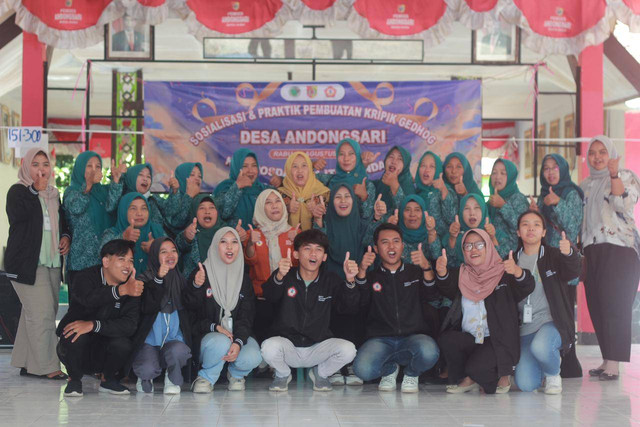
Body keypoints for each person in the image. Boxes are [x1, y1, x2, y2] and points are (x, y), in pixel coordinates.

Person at [435, 229, 534, 394]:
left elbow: (527, 286)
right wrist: (441, 272)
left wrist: (517, 271)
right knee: (447, 339)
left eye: (479, 245)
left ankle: (498, 373)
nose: (474, 250)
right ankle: (468, 375)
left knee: (477, 369)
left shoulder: (503, 273)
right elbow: (446, 287)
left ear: (488, 247)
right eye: (468, 246)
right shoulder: (463, 274)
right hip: (472, 338)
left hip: (498, 340)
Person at [260, 229, 360, 392]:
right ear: (296, 254)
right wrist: (279, 276)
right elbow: (269, 296)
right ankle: (283, 374)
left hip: (318, 346)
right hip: (289, 346)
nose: (313, 254)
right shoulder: (286, 275)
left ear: (324, 257)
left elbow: (349, 308)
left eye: (319, 249)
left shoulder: (331, 280)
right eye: (307, 248)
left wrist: (350, 281)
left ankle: (321, 373)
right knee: (267, 347)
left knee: (349, 350)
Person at [5, 148, 70, 380]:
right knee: (41, 315)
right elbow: (18, 214)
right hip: (26, 266)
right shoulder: (18, 192)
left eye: (45, 164)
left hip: (51, 263)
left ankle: (25, 361)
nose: (41, 170)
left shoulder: (53, 194)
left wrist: (66, 237)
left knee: (35, 313)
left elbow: (63, 224)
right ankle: (46, 367)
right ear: (26, 167)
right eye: (35, 165)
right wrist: (34, 190)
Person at [351, 223, 441, 393]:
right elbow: (359, 304)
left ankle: (411, 374)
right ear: (376, 249)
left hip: (413, 337)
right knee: (362, 369)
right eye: (385, 242)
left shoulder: (414, 272)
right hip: (380, 340)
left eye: (396, 241)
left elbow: (432, 295)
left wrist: (426, 267)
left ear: (402, 246)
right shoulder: (371, 276)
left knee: (429, 351)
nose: (391, 247)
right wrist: (362, 270)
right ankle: (389, 369)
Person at [581, 135, 640, 380]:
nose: (597, 157)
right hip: (591, 250)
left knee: (616, 306)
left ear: (611, 154)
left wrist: (614, 176)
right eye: (592, 152)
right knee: (598, 305)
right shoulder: (585, 184)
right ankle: (607, 359)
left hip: (619, 249)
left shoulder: (625, 176)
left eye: (602, 152)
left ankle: (614, 364)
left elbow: (621, 204)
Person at [56, 239, 143, 397]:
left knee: (124, 343)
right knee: (74, 333)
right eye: (121, 259)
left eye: (130, 261)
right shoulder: (84, 277)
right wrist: (119, 291)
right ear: (106, 261)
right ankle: (74, 380)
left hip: (104, 346)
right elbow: (89, 299)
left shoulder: (131, 286)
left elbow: (129, 325)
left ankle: (108, 379)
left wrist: (94, 325)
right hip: (77, 348)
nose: (127, 265)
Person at [513, 211, 582, 394]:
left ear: (544, 232)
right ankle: (544, 363)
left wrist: (569, 254)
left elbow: (573, 272)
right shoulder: (512, 260)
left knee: (541, 347)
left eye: (536, 225)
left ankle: (553, 373)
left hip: (551, 322)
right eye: (525, 224)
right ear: (518, 232)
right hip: (525, 329)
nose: (531, 228)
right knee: (526, 385)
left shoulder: (553, 255)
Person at [186, 227, 261, 392]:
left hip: (235, 335)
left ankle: (235, 375)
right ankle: (206, 377)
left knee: (254, 355)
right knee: (221, 342)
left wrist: (239, 342)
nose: (229, 247)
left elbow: (246, 317)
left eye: (234, 242)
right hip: (209, 338)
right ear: (214, 246)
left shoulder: (244, 278)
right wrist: (196, 287)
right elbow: (189, 314)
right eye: (223, 242)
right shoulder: (201, 274)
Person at [532, 153, 585, 378]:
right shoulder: (545, 195)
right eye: (546, 168)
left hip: (564, 261)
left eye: (555, 167)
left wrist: (558, 204)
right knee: (551, 308)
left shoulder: (571, 193)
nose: (551, 172)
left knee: (564, 311)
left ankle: (570, 363)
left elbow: (573, 225)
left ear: (563, 169)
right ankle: (553, 358)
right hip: (546, 263)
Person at [129, 237, 192, 394]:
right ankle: (145, 376)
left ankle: (171, 376)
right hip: (149, 341)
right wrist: (158, 279)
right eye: (163, 252)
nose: (170, 255)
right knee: (147, 369)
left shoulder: (181, 280)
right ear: (155, 255)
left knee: (179, 351)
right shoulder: (143, 279)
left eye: (173, 251)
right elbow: (147, 306)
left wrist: (197, 286)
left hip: (172, 340)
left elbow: (193, 305)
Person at [63, 151, 125, 289]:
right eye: (89, 166)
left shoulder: (102, 191)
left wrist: (115, 180)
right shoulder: (71, 191)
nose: (94, 170)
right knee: (81, 308)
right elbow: (77, 207)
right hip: (81, 263)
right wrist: (88, 184)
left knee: (103, 307)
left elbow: (111, 207)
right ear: (79, 168)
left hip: (104, 261)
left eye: (98, 166)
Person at [245, 189, 298, 343]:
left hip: (289, 300)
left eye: (277, 201)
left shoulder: (294, 232)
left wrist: (298, 243)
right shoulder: (254, 234)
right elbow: (250, 260)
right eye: (268, 203)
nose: (274, 206)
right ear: (261, 208)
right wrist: (250, 243)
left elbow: (300, 266)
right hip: (262, 299)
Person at [101, 192, 166, 273]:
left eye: (144, 208)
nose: (139, 213)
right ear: (123, 211)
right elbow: (102, 253)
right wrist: (123, 237)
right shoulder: (112, 233)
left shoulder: (157, 231)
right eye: (133, 208)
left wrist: (155, 249)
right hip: (121, 285)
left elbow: (172, 258)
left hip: (154, 283)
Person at [316, 138, 376, 219]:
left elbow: (368, 218)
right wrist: (313, 164)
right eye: (341, 154)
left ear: (358, 156)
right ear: (337, 156)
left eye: (351, 153)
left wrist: (364, 197)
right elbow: (303, 177)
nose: (346, 159)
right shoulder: (328, 180)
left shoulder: (367, 185)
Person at [443, 194, 506, 267]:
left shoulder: (498, 235)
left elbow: (501, 262)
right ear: (460, 213)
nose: (472, 213)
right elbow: (450, 264)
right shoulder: (453, 236)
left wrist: (492, 237)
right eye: (466, 208)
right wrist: (452, 238)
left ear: (484, 210)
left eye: (477, 207)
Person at [214, 148, 269, 230]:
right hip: (233, 240)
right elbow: (222, 214)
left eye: (254, 165)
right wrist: (237, 186)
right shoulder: (225, 187)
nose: (250, 170)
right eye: (244, 166)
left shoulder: (264, 190)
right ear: (236, 167)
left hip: (260, 240)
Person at [278, 151, 330, 231]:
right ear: (288, 170)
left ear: (310, 168)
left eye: (304, 166)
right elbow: (273, 227)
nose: (300, 170)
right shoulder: (279, 195)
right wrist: (286, 210)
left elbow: (330, 228)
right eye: (294, 166)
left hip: (314, 242)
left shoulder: (323, 194)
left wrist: (317, 217)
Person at [122, 163, 183, 230]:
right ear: (131, 177)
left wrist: (174, 191)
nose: (145, 179)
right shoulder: (123, 201)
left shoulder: (153, 199)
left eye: (148, 176)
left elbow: (171, 210)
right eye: (140, 175)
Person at [175, 194, 225, 277]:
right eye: (201, 208)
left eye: (212, 207)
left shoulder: (226, 233)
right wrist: (187, 237)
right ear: (194, 212)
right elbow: (178, 246)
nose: (207, 211)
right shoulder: (190, 231)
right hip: (193, 287)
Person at [488, 159, 529, 254]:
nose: (497, 177)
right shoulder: (490, 201)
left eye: (503, 173)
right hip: (492, 257)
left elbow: (523, 229)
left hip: (512, 258)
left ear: (511, 177)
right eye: (494, 173)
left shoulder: (518, 199)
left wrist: (503, 206)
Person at [414, 151, 457, 238]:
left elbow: (451, 219)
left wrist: (443, 190)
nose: (427, 170)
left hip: (442, 247)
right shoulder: (415, 193)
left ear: (438, 170)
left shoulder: (446, 190)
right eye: (423, 166)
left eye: (432, 166)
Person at [388, 194, 441, 263]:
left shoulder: (430, 234)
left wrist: (431, 231)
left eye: (417, 210)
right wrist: (390, 229)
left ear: (424, 213)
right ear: (401, 214)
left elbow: (436, 256)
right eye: (407, 210)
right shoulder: (396, 236)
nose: (412, 214)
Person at [372, 145, 415, 212]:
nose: (394, 162)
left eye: (400, 159)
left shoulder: (409, 187)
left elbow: (408, 213)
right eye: (391, 157)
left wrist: (394, 185)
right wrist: (364, 165)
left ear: (405, 165)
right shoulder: (378, 184)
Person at [442, 152, 482, 222]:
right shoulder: (440, 189)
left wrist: (465, 194)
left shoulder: (474, 190)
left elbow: (481, 216)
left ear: (466, 170)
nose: (453, 171)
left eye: (458, 167)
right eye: (449, 166)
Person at [166, 162, 203, 234]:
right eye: (192, 175)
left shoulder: (202, 201)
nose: (197, 179)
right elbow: (176, 224)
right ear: (181, 178)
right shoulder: (173, 199)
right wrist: (189, 196)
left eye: (200, 176)